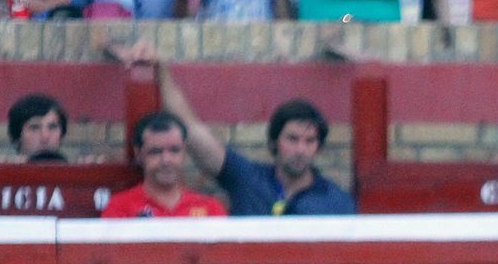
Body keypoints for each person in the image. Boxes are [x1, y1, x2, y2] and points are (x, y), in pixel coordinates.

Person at [112, 41, 355, 217]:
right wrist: (161, 69)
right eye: (292, 138)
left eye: (309, 141)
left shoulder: (337, 201)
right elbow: (191, 129)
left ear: (318, 148)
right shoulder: (247, 178)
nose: (300, 149)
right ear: (273, 143)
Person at [101, 111, 226, 219]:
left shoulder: (211, 209)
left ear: (184, 152)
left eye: (174, 150)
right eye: (155, 152)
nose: (166, 160)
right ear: (138, 154)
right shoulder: (119, 209)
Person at [4, 94, 70, 164]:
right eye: (34, 128)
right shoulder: (3, 171)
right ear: (17, 136)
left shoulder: (76, 172)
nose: (45, 137)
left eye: (52, 127)